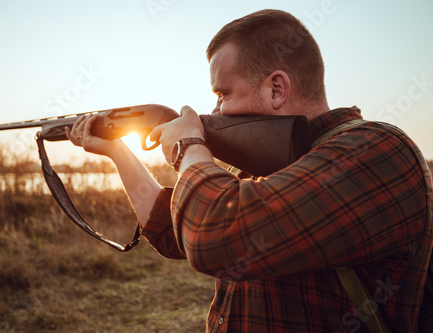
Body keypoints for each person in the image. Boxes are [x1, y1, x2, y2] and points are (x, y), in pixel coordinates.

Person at [66, 9, 433, 332]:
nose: (217, 110)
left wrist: (188, 146)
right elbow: (177, 233)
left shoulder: (377, 150)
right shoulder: (265, 168)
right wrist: (117, 152)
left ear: (277, 89)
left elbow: (214, 236)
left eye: (223, 94)